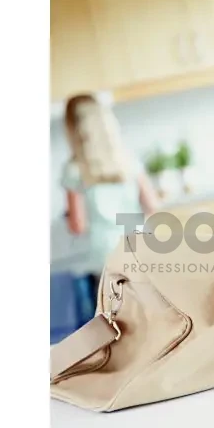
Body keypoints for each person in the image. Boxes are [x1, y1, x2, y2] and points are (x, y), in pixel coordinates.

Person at [61, 94, 159, 321]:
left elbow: (78, 225)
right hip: (139, 248)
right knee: (149, 317)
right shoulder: (127, 159)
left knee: (115, 324)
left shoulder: (74, 170)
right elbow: (152, 205)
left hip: (105, 259)